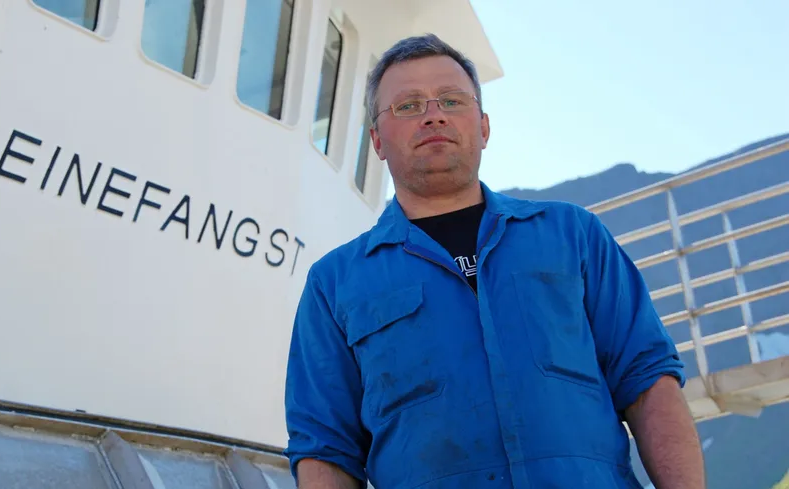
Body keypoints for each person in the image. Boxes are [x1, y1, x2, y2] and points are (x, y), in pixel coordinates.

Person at [283, 33, 705, 489]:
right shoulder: (334, 285)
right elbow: (326, 450)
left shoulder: (573, 236)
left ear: (483, 127)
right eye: (408, 106)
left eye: (451, 99)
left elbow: (649, 384)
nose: (434, 114)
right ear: (377, 140)